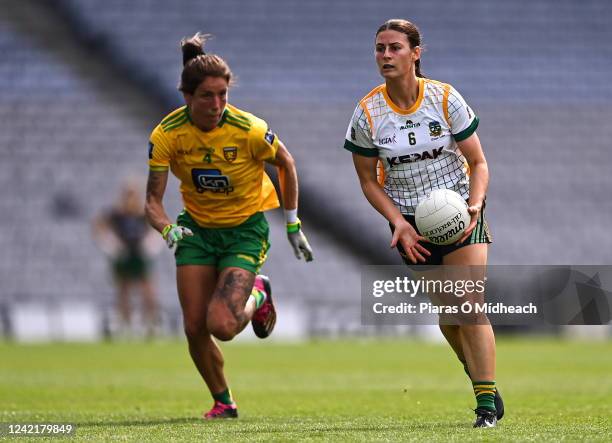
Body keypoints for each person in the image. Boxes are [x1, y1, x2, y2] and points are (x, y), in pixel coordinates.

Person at [145, 32, 313, 419]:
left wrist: (292, 224)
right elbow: (152, 201)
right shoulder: (167, 135)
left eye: (223, 94)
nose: (218, 104)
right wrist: (167, 228)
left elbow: (285, 163)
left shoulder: (249, 129)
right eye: (208, 96)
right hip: (196, 232)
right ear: (187, 96)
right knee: (193, 327)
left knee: (221, 324)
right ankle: (223, 400)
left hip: (244, 230)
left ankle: (258, 292)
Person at [344, 19, 503, 428]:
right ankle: (477, 371)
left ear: (416, 53)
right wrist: (397, 221)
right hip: (411, 223)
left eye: (394, 48)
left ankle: (485, 404)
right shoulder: (367, 112)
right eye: (380, 48)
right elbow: (367, 179)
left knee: (469, 306)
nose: (385, 56)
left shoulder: (445, 98)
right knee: (448, 313)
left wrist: (475, 205)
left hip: (459, 210)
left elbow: (479, 162)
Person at [93, 177, 162, 338]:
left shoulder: (143, 212)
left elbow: (156, 227)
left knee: (148, 290)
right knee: (123, 289)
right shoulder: (117, 213)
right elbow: (98, 226)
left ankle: (151, 322)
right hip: (123, 255)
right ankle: (126, 323)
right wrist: (110, 244)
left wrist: (151, 243)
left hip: (140, 253)